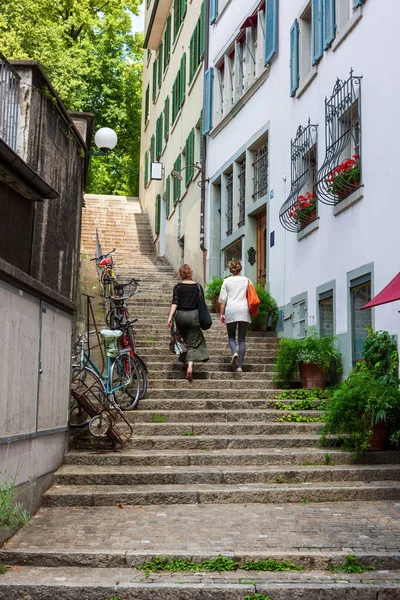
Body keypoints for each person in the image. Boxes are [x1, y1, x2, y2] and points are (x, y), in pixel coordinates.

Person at [168, 264, 209, 381]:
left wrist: (170, 316)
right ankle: (190, 365)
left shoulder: (178, 287)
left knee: (182, 339)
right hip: (193, 315)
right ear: (190, 273)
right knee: (192, 341)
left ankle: (184, 363)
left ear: (181, 274)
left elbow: (175, 302)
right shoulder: (198, 286)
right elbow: (201, 302)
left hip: (180, 315)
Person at [218, 260, 251, 373]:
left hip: (231, 309)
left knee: (231, 337)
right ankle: (240, 366)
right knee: (242, 339)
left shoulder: (226, 281)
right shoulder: (246, 280)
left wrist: (222, 314)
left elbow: (222, 300)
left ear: (230, 269)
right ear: (240, 268)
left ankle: (234, 352)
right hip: (243, 309)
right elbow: (251, 296)